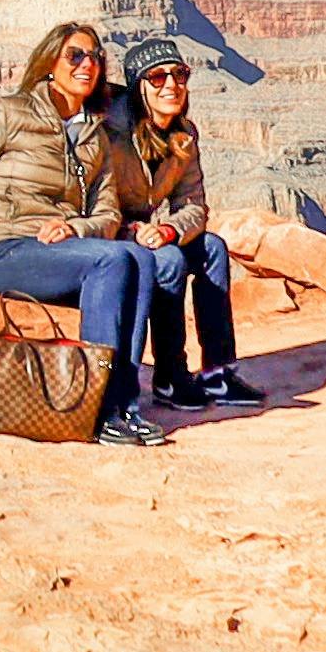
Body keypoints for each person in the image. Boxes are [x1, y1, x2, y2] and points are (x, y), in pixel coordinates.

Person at [0, 22, 170, 447]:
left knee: (140, 259)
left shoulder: (93, 135)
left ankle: (124, 405)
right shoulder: (10, 113)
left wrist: (75, 227)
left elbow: (107, 212)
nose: (88, 65)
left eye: (96, 57)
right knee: (113, 258)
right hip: (6, 248)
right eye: (75, 56)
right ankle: (96, 410)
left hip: (61, 250)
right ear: (50, 64)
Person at [109, 37, 262, 409]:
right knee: (170, 262)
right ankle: (170, 375)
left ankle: (217, 373)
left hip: (151, 233)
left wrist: (169, 230)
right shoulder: (111, 133)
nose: (171, 85)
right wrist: (132, 230)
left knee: (212, 248)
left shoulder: (184, 135)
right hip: (108, 233)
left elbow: (193, 204)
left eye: (179, 74)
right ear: (138, 86)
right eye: (157, 77)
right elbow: (90, 201)